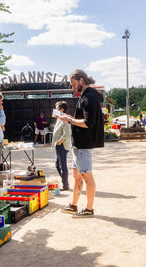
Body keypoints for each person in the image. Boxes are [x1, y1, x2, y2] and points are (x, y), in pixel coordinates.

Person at [59, 69, 104, 218]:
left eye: (73, 84)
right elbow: (84, 119)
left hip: (83, 144)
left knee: (87, 176)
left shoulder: (88, 98)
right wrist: (70, 117)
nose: (73, 88)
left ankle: (89, 209)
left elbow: (88, 123)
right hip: (78, 143)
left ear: (81, 80)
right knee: (77, 176)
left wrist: (70, 120)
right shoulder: (87, 96)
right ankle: (73, 205)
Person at [51, 101, 72, 191]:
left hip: (62, 146)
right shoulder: (59, 118)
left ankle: (65, 185)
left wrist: (60, 141)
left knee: (63, 166)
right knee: (57, 165)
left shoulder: (65, 119)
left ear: (61, 110)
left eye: (57, 108)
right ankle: (65, 181)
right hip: (58, 145)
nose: (55, 110)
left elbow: (67, 134)